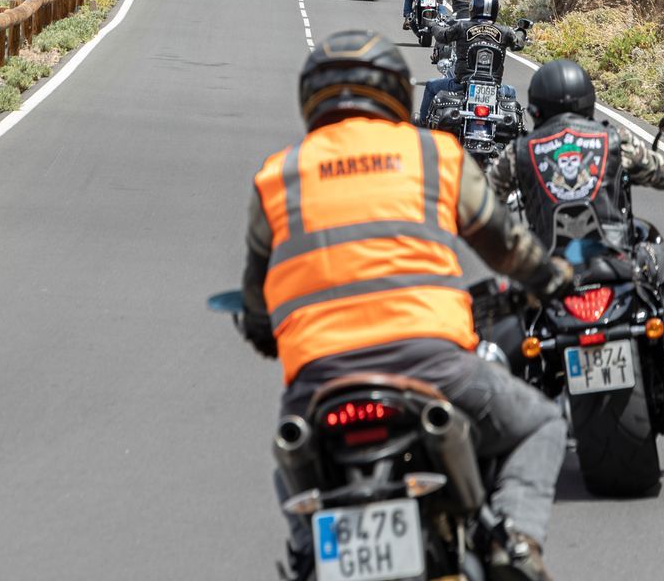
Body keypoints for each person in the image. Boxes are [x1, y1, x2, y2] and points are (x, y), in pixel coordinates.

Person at [239, 31, 571, 581]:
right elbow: (504, 243)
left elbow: (255, 298)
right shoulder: (432, 153)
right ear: (397, 91)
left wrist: (260, 330)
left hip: (319, 382)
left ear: (311, 98)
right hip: (432, 367)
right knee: (540, 425)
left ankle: (308, 554)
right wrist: (551, 276)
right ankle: (513, 542)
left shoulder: (278, 176)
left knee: (289, 462)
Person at [495, 59, 664, 389]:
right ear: (588, 100)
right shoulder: (612, 139)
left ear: (535, 108)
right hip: (616, 261)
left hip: (548, 270)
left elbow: (486, 198)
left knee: (510, 312)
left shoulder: (518, 152)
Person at [420, 0, 526, 127]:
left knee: (431, 85)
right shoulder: (505, 32)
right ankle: (507, 127)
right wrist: (521, 31)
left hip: (462, 84)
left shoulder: (462, 26)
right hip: (495, 86)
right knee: (511, 91)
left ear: (472, 7)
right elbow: (518, 44)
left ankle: (421, 125)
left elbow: (442, 36)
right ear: (495, 9)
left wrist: (433, 25)